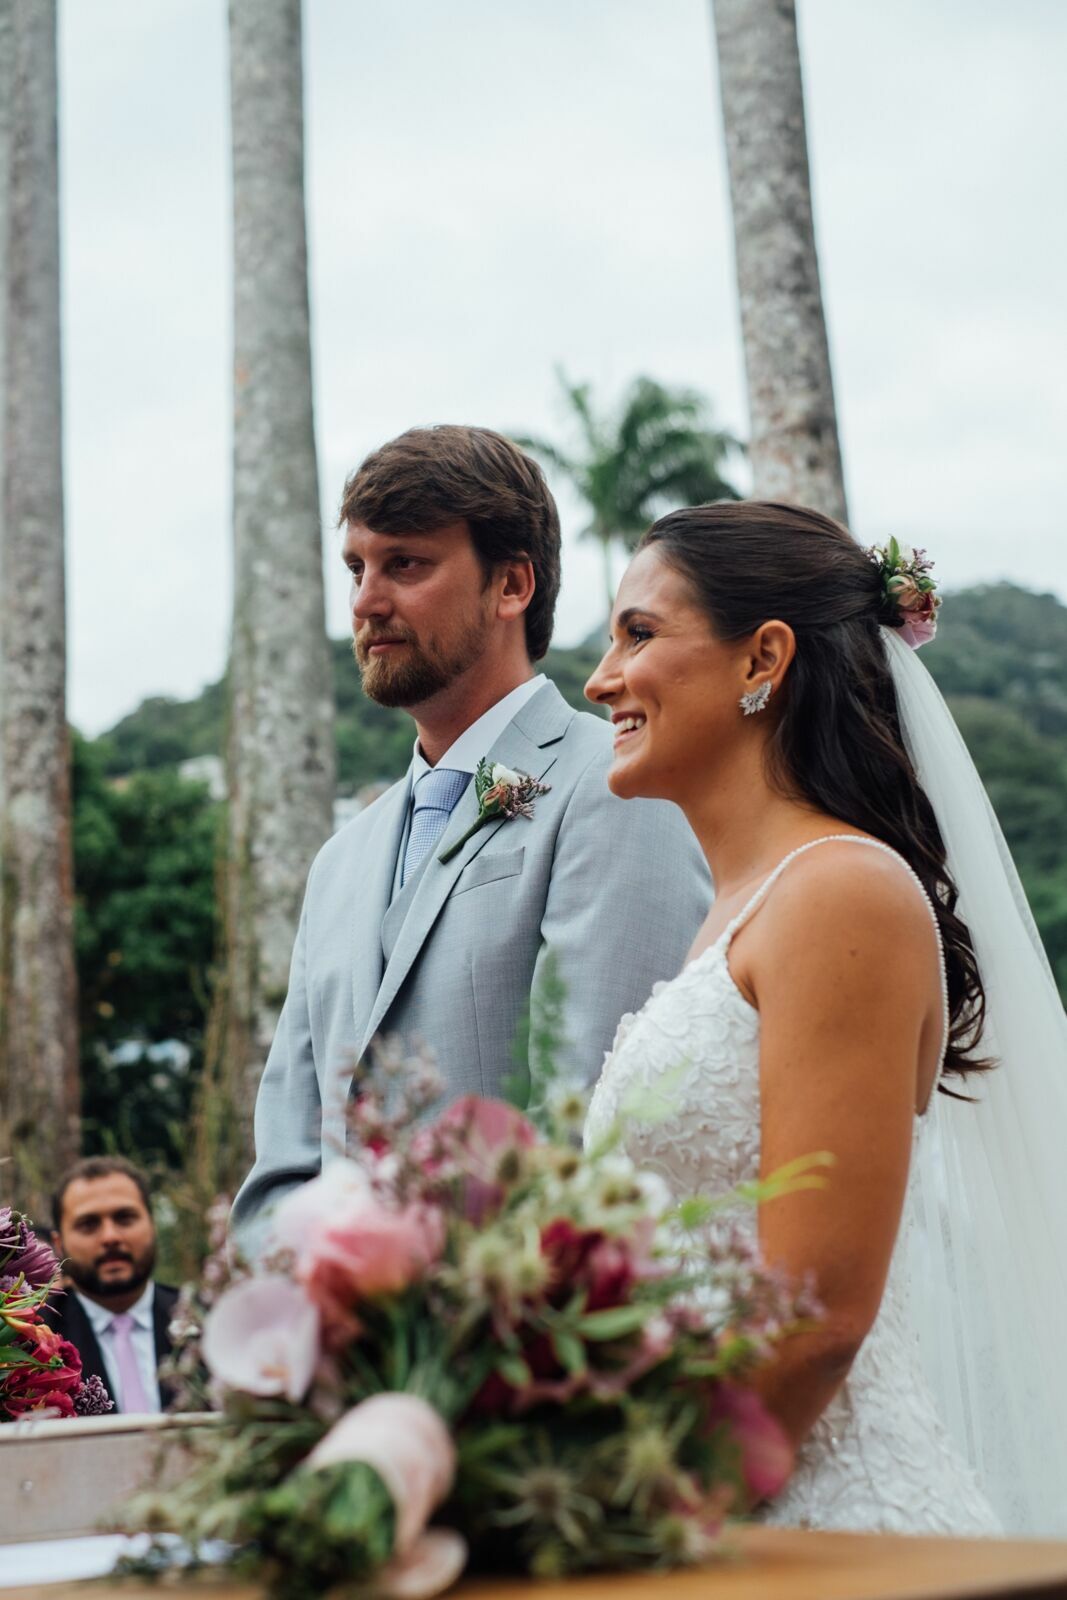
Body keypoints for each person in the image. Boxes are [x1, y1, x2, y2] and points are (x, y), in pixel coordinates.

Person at [583, 500, 1067, 1537]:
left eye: (636, 633)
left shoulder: (836, 893)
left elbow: (815, 1318)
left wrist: (633, 1527)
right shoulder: (740, 912)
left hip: (828, 1522)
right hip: (740, 1506)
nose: (598, 677)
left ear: (762, 656)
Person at [232, 425, 710, 1242]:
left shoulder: (619, 783)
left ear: (510, 585)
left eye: (405, 564)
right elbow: (285, 1164)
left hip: (524, 1330)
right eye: (356, 568)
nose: (364, 602)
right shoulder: (339, 862)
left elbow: (601, 1112)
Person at [45, 1156, 178, 1414]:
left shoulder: (212, 1320)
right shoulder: (31, 1342)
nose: (110, 1237)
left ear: (152, 1225)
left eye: (125, 1218)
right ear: (58, 1244)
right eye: (88, 1224)